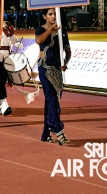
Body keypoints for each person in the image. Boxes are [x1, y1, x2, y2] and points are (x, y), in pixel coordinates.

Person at [35, 8, 72, 145]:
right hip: (45, 69)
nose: (53, 16)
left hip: (57, 70)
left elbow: (68, 50)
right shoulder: (41, 29)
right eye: (50, 14)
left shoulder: (63, 31)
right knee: (52, 100)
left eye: (55, 14)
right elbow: (39, 41)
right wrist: (51, 29)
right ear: (44, 16)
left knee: (53, 102)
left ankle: (46, 134)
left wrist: (65, 63)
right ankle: (58, 130)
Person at [0, 21, 16, 116]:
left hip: (7, 56)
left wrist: (17, 43)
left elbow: (13, 40)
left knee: (3, 80)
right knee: (0, 79)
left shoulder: (8, 25)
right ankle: (3, 103)